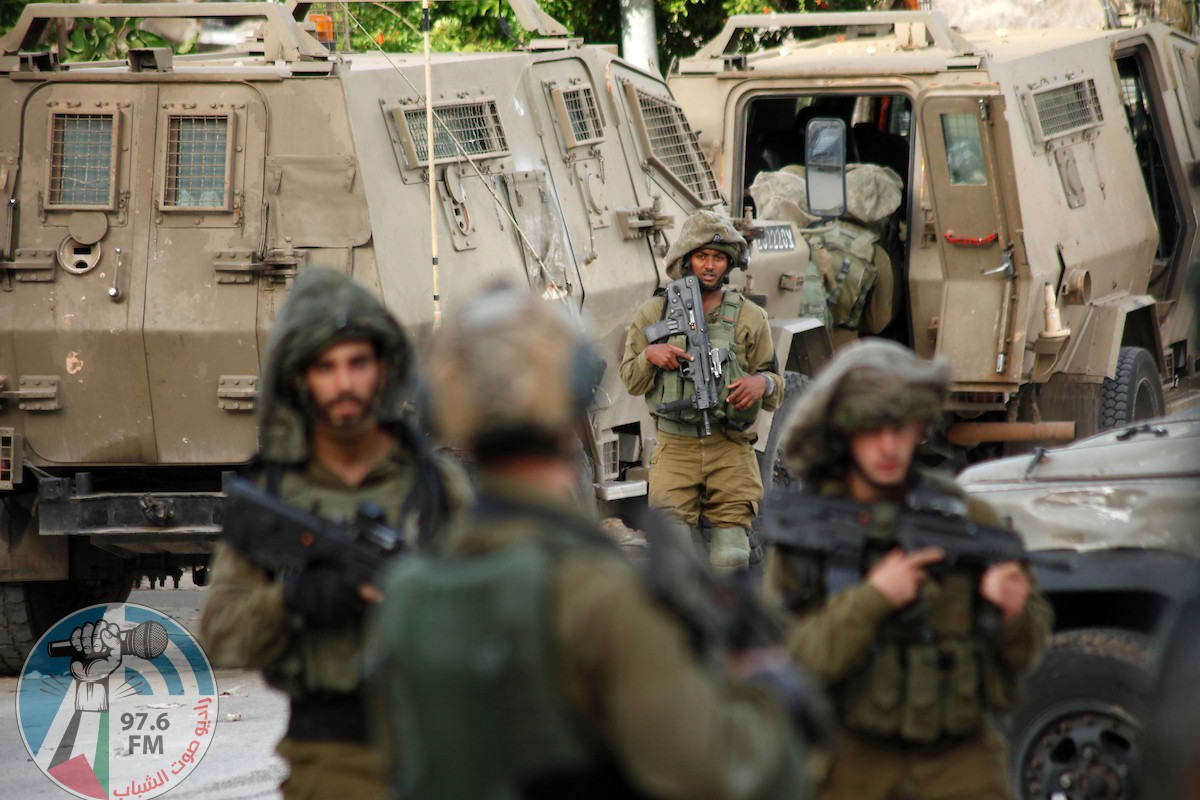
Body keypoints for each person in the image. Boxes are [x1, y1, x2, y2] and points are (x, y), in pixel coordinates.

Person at [369, 286, 815, 800]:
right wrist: (768, 690)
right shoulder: (606, 596)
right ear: (570, 416)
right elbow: (719, 774)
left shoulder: (405, 600)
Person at [199, 269, 463, 800]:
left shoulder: (435, 485)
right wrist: (295, 599)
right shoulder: (273, 493)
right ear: (300, 379)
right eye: (326, 367)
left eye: (358, 363)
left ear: (384, 370)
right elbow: (220, 634)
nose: (344, 384)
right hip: (335, 752)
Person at [766, 339, 1054, 800]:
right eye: (872, 429)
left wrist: (1013, 612)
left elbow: (1027, 653)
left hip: (960, 762)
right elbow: (790, 665)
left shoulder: (967, 520)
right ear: (843, 432)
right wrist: (874, 598)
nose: (888, 446)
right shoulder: (812, 532)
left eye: (901, 428)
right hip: (850, 761)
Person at [620, 209, 784, 569]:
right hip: (675, 447)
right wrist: (650, 354)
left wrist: (761, 382)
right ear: (686, 260)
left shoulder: (749, 317)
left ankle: (728, 623)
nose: (710, 265)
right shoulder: (653, 313)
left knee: (731, 556)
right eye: (702, 256)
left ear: (729, 263)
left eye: (718, 258)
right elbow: (631, 379)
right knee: (673, 562)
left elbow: (777, 387)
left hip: (730, 447)